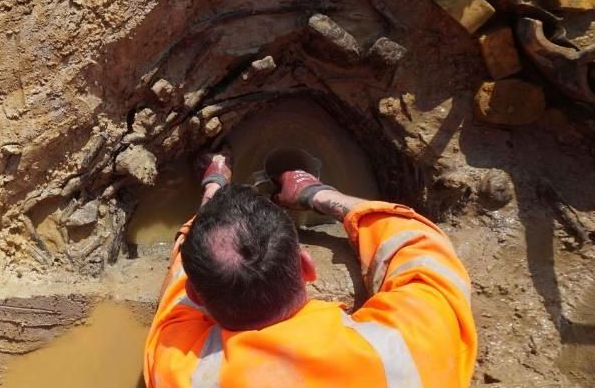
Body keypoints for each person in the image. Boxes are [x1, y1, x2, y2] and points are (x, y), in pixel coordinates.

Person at [143, 147, 476, 387]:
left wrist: (214, 191)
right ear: (306, 266)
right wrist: (316, 194)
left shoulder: (182, 372)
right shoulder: (409, 351)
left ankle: (214, 178)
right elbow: (420, 245)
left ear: (197, 297)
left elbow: (177, 298)